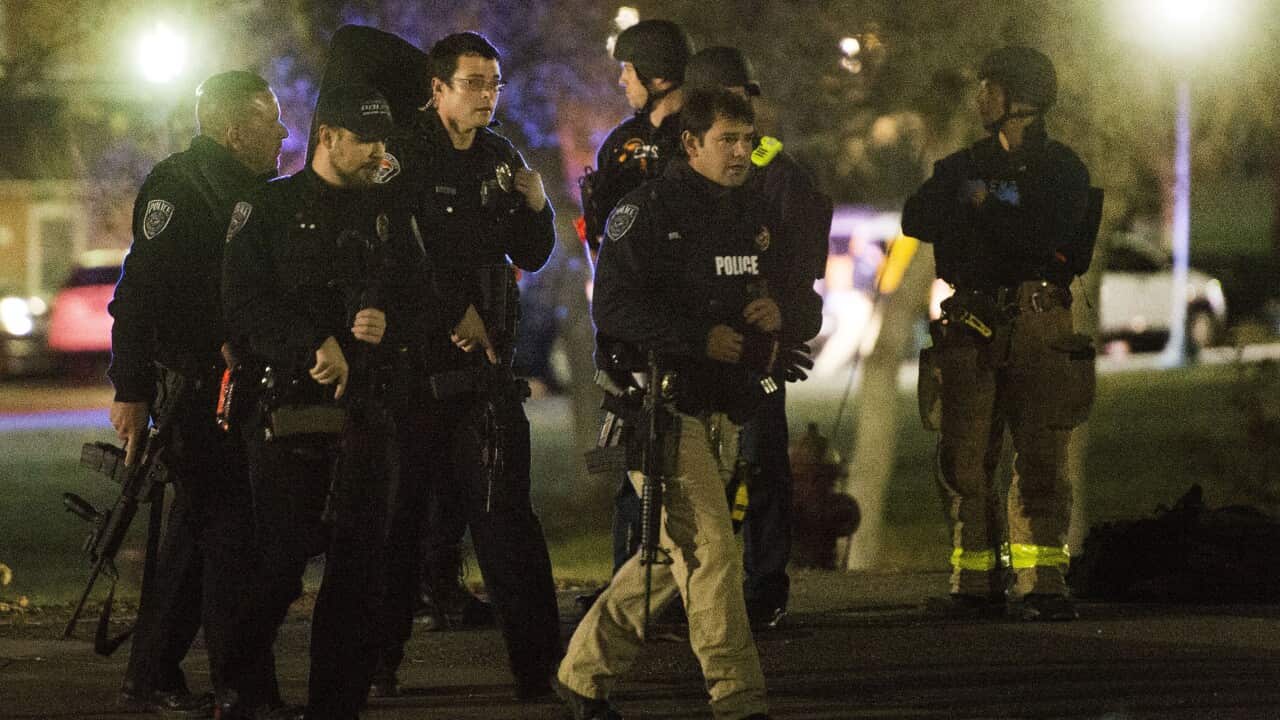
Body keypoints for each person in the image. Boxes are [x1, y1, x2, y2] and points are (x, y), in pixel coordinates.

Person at [557, 88, 820, 720]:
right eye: (726, 140)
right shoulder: (644, 212)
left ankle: (582, 674)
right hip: (661, 409)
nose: (740, 152)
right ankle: (738, 698)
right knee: (711, 553)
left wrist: (781, 312)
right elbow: (612, 307)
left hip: (727, 412)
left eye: (747, 139)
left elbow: (804, 296)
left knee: (672, 557)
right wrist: (699, 337)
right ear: (692, 144)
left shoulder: (755, 214)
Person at [367, 31, 561, 701]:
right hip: (414, 377)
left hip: (483, 376)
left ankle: (542, 671)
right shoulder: (402, 159)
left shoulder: (499, 158)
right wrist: (453, 311)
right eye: (474, 83)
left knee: (506, 522)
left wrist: (539, 205)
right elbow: (388, 260)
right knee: (398, 525)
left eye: (494, 83)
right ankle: (379, 665)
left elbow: (532, 254)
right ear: (438, 88)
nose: (487, 96)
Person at [221, 83, 416, 719]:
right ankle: (243, 687)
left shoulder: (387, 211)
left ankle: (338, 704)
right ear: (329, 138)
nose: (377, 154)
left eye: (383, 142)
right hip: (289, 413)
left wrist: (388, 319)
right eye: (366, 142)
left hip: (367, 411)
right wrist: (313, 343)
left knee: (359, 573)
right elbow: (244, 305)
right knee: (279, 564)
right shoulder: (267, 210)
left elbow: (420, 291)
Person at [106, 69, 287, 715]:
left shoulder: (255, 192)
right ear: (236, 129)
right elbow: (138, 296)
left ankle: (151, 673)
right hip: (193, 393)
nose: (284, 130)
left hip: (238, 391)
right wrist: (131, 390)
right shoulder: (180, 187)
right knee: (234, 537)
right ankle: (245, 690)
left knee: (200, 536)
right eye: (271, 119)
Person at [901, 47, 1098, 621]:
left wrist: (990, 205)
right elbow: (918, 217)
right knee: (964, 455)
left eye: (988, 86)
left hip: (1038, 323)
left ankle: (1043, 583)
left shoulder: (1064, 169)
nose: (978, 97)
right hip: (971, 325)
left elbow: (1052, 235)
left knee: (1041, 455)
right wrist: (976, 198)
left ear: (1020, 99)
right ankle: (975, 581)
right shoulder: (963, 166)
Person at [682, 45, 832, 628]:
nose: (741, 124)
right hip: (694, 348)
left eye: (744, 101)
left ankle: (764, 584)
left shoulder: (780, 177)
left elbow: (801, 275)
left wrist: (786, 317)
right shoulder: (675, 176)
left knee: (761, 464)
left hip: (756, 350)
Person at [579, 18, 692, 256]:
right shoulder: (620, 142)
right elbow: (599, 234)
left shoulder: (703, 135)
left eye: (629, 69)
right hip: (633, 284)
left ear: (658, 75)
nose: (622, 80)